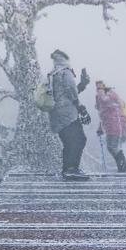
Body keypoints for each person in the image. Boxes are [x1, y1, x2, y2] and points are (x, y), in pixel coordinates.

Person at [47, 49, 91, 181]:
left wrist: (82, 85)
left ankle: (68, 169)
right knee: (79, 139)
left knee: (69, 141)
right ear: (65, 59)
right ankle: (72, 169)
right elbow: (72, 93)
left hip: (57, 113)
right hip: (67, 114)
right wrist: (81, 108)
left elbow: (66, 93)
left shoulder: (54, 73)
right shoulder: (65, 72)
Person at [95, 80, 126, 173]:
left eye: (100, 87)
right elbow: (103, 115)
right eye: (97, 87)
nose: (98, 89)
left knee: (112, 147)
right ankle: (122, 168)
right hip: (113, 126)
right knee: (113, 147)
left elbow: (104, 102)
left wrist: (100, 91)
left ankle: (123, 168)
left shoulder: (109, 96)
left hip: (115, 125)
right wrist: (100, 128)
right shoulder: (105, 98)